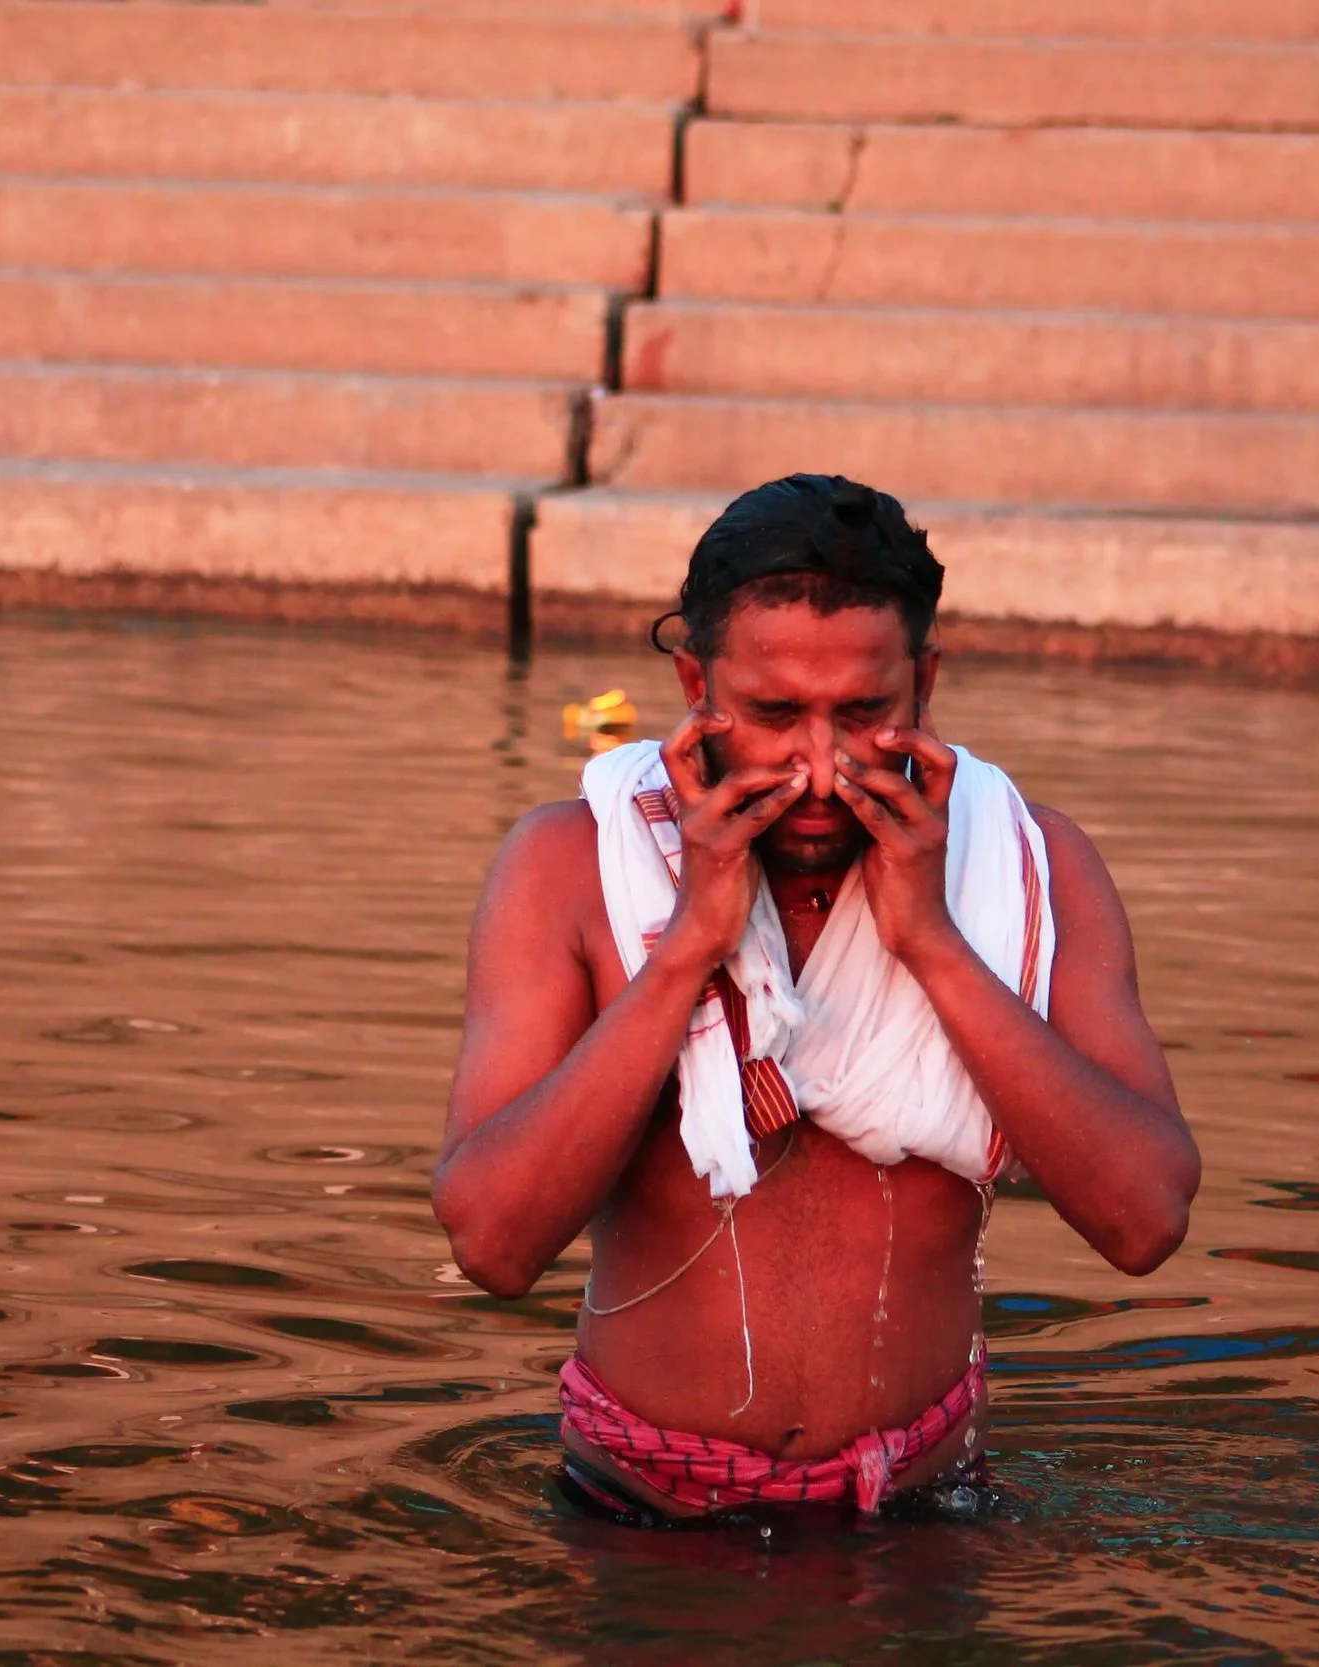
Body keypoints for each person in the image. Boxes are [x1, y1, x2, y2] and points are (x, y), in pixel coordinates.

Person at [434, 474, 1201, 1523]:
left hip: (923, 1522)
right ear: (693, 682)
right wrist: (684, 951)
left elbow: (1146, 1219)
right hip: (638, 1518)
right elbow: (491, 1244)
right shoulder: (568, 865)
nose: (821, 765)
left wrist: (930, 940)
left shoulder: (1031, 863)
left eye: (865, 712)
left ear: (924, 683)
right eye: (773, 713)